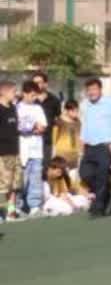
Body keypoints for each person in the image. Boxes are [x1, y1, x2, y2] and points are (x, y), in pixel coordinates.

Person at [79, 76, 111, 218]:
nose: (91, 92)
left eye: (94, 89)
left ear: (100, 89)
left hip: (105, 146)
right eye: (89, 90)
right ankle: (105, 195)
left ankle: (98, 207)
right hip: (89, 145)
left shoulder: (110, 103)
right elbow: (84, 123)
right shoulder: (85, 104)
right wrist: (82, 140)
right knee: (85, 173)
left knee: (102, 174)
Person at [17, 80, 47, 216]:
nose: (34, 98)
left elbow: (42, 126)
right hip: (23, 150)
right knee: (22, 179)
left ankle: (34, 206)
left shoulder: (38, 108)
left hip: (37, 150)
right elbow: (20, 128)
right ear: (24, 93)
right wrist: (32, 127)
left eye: (36, 95)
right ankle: (19, 206)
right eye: (32, 95)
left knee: (35, 179)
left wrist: (34, 128)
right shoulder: (17, 108)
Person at [0, 80, 20, 219]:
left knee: (14, 185)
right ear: (3, 92)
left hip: (15, 152)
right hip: (2, 153)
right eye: (13, 91)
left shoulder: (13, 107)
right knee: (3, 186)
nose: (15, 94)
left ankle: (10, 212)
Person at [52, 99, 81, 165]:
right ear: (66, 110)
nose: (75, 113)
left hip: (74, 153)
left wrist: (80, 150)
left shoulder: (78, 122)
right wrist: (53, 153)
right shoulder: (59, 122)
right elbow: (54, 138)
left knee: (73, 174)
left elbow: (79, 137)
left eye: (77, 111)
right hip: (62, 153)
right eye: (73, 111)